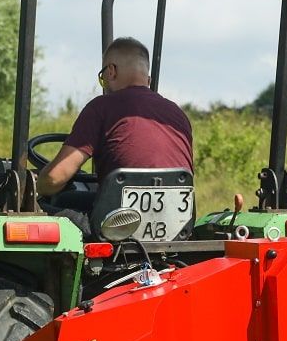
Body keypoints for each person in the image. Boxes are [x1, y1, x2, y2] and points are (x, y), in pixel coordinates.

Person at [37, 37, 193, 211]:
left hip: (120, 225)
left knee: (58, 201)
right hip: (178, 226)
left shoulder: (101, 108)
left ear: (111, 71)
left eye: (102, 79)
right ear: (147, 80)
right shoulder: (178, 115)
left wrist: (38, 186)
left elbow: (54, 178)